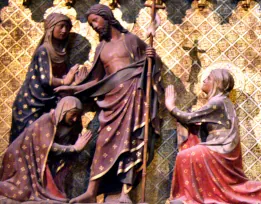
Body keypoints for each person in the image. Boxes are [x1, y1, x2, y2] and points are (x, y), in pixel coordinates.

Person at [54, 4, 162, 203]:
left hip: (134, 97)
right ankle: (91, 192)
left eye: (96, 20)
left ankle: (124, 193)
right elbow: (95, 80)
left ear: (107, 17)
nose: (94, 26)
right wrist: (71, 89)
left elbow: (150, 66)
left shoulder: (131, 40)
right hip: (112, 102)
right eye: (91, 23)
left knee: (131, 143)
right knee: (103, 143)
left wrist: (152, 59)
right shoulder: (102, 48)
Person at [165, 69, 261, 204]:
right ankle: (195, 196)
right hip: (219, 146)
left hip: (220, 148)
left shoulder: (218, 102)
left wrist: (171, 106)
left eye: (209, 78)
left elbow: (189, 118)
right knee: (188, 154)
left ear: (217, 83)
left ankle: (190, 198)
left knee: (185, 156)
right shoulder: (222, 102)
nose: (204, 80)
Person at [9, 13, 86, 143]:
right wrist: (66, 80)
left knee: (42, 139)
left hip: (48, 101)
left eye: (67, 27)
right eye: (61, 26)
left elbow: (62, 78)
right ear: (51, 28)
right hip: (30, 102)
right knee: (25, 139)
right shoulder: (43, 50)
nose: (64, 31)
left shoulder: (61, 53)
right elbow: (46, 80)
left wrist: (75, 82)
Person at [0, 96, 92, 202]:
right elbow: (47, 146)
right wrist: (74, 148)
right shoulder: (47, 120)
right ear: (64, 110)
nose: (75, 119)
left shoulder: (70, 126)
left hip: (43, 162)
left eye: (78, 115)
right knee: (22, 191)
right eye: (73, 114)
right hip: (21, 157)